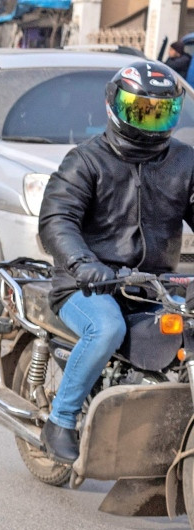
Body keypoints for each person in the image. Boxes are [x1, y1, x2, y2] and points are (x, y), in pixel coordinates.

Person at [38, 61, 194, 463]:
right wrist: (81, 262)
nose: (151, 121)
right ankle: (61, 418)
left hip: (153, 284)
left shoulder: (184, 162)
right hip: (87, 284)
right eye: (141, 110)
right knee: (106, 328)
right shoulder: (86, 161)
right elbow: (58, 219)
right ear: (114, 107)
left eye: (161, 112)